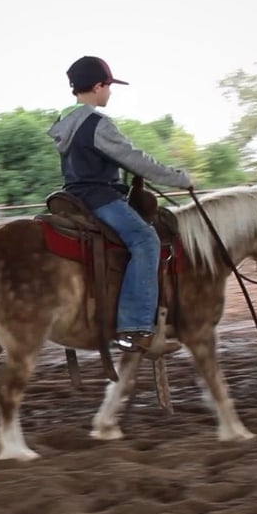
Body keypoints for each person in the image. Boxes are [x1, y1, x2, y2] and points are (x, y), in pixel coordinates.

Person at [47, 55, 193, 353]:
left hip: (73, 196)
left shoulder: (64, 123)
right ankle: (135, 329)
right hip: (99, 198)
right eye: (108, 86)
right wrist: (179, 179)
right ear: (98, 86)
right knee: (146, 240)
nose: (110, 92)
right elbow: (135, 158)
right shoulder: (96, 123)